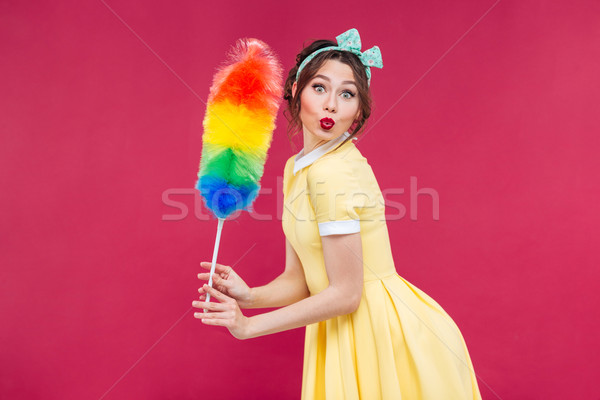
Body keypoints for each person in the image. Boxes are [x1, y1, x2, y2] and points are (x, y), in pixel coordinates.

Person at [193, 28, 483, 400]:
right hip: (340, 331)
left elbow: (346, 294)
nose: (331, 104)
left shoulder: (333, 173)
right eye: (320, 88)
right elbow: (302, 281)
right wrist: (249, 296)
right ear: (296, 90)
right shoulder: (300, 168)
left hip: (379, 334)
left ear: (358, 110)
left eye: (346, 94)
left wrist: (249, 327)